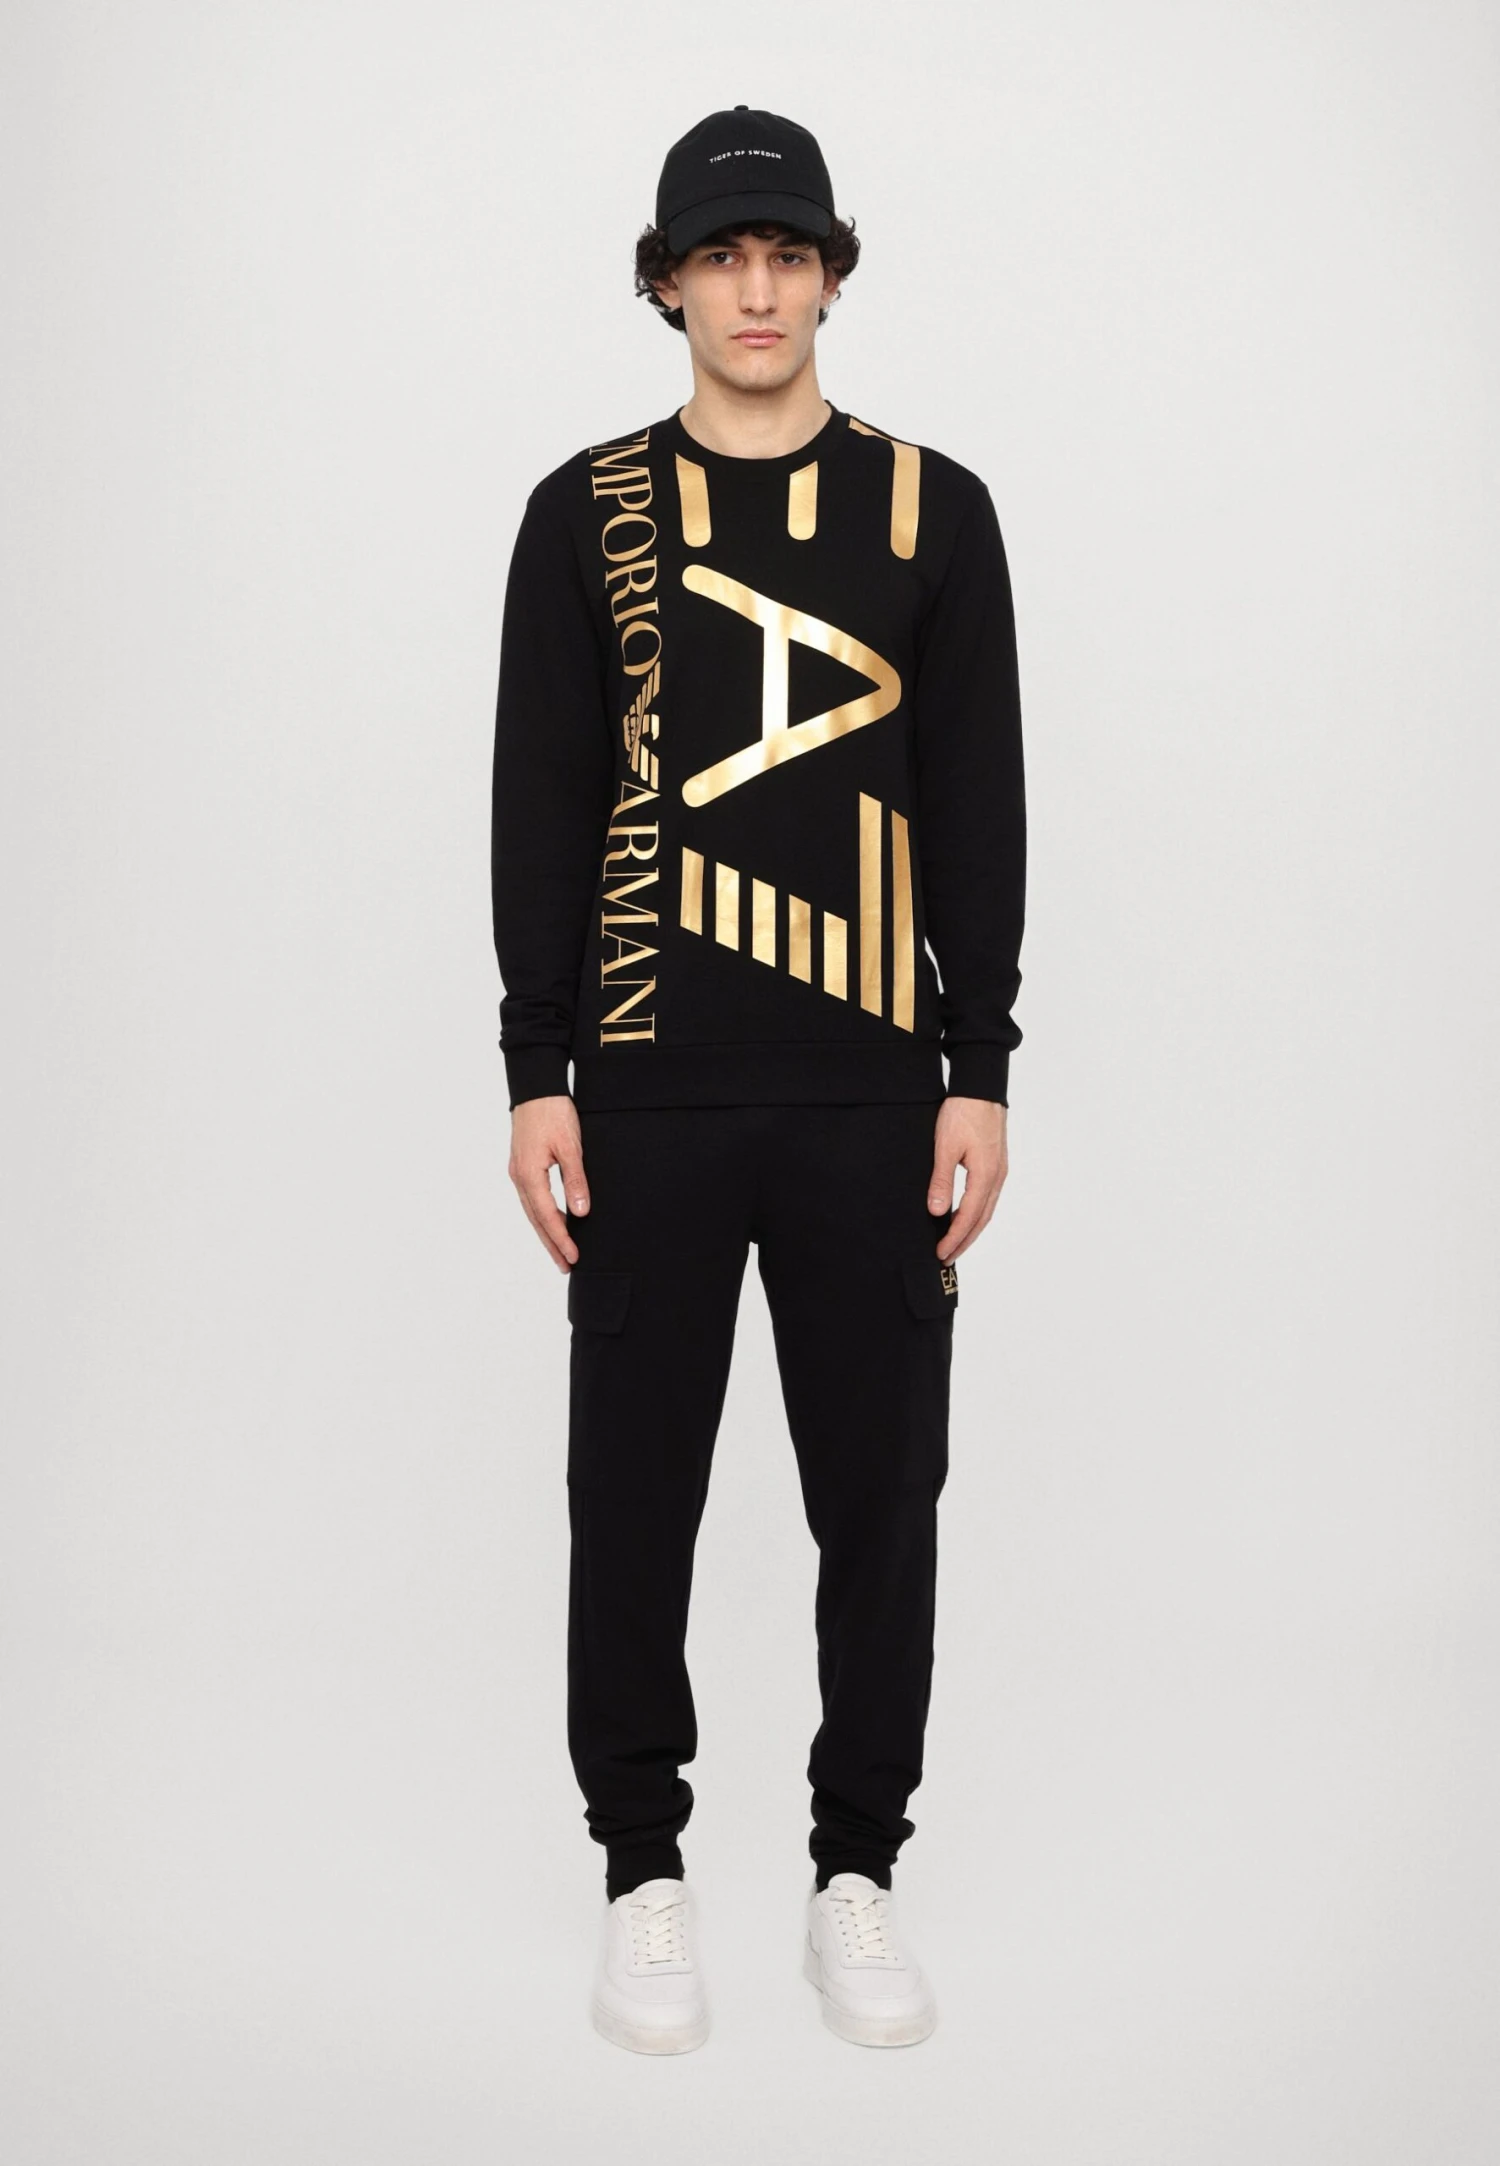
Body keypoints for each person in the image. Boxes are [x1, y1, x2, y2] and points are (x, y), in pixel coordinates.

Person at [490, 103, 1026, 2054]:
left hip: (876, 1091)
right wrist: (536, 1065)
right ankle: (643, 1873)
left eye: (789, 253)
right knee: (630, 1500)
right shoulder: (589, 513)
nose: (758, 288)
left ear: (831, 275)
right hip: (644, 1085)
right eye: (722, 256)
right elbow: (543, 794)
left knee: (882, 1501)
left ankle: (854, 1872)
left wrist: (980, 1064)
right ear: (666, 284)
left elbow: (976, 798)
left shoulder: (933, 511)